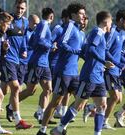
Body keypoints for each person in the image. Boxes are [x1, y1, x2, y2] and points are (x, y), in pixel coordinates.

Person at [49, 11, 115, 135]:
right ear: (106, 22)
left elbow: (101, 51)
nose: (112, 25)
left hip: (98, 76)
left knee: (102, 105)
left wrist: (118, 63)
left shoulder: (100, 34)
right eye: (111, 22)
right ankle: (59, 128)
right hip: (89, 76)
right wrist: (103, 61)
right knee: (78, 105)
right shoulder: (97, 32)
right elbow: (91, 49)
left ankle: (97, 133)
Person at [36, 2, 87, 135]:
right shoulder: (70, 26)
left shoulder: (79, 30)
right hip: (63, 72)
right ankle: (42, 130)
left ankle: (60, 127)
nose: (83, 16)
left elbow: (80, 50)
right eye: (81, 13)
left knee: (81, 100)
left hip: (74, 73)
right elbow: (61, 43)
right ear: (73, 15)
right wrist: (75, 51)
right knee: (55, 102)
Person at [17, 8, 54, 124]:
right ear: (51, 16)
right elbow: (39, 40)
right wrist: (50, 45)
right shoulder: (43, 25)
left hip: (44, 63)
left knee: (48, 89)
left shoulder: (43, 26)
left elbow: (33, 41)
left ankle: (40, 113)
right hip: (37, 63)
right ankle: (11, 106)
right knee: (30, 90)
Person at [0, 0, 33, 129]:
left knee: (2, 90)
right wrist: (3, 45)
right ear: (14, 7)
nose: (20, 10)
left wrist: (24, 50)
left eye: (22, 8)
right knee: (15, 87)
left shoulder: (24, 22)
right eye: (18, 7)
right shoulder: (7, 19)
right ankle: (18, 121)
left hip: (17, 60)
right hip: (6, 58)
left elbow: (23, 38)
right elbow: (0, 34)